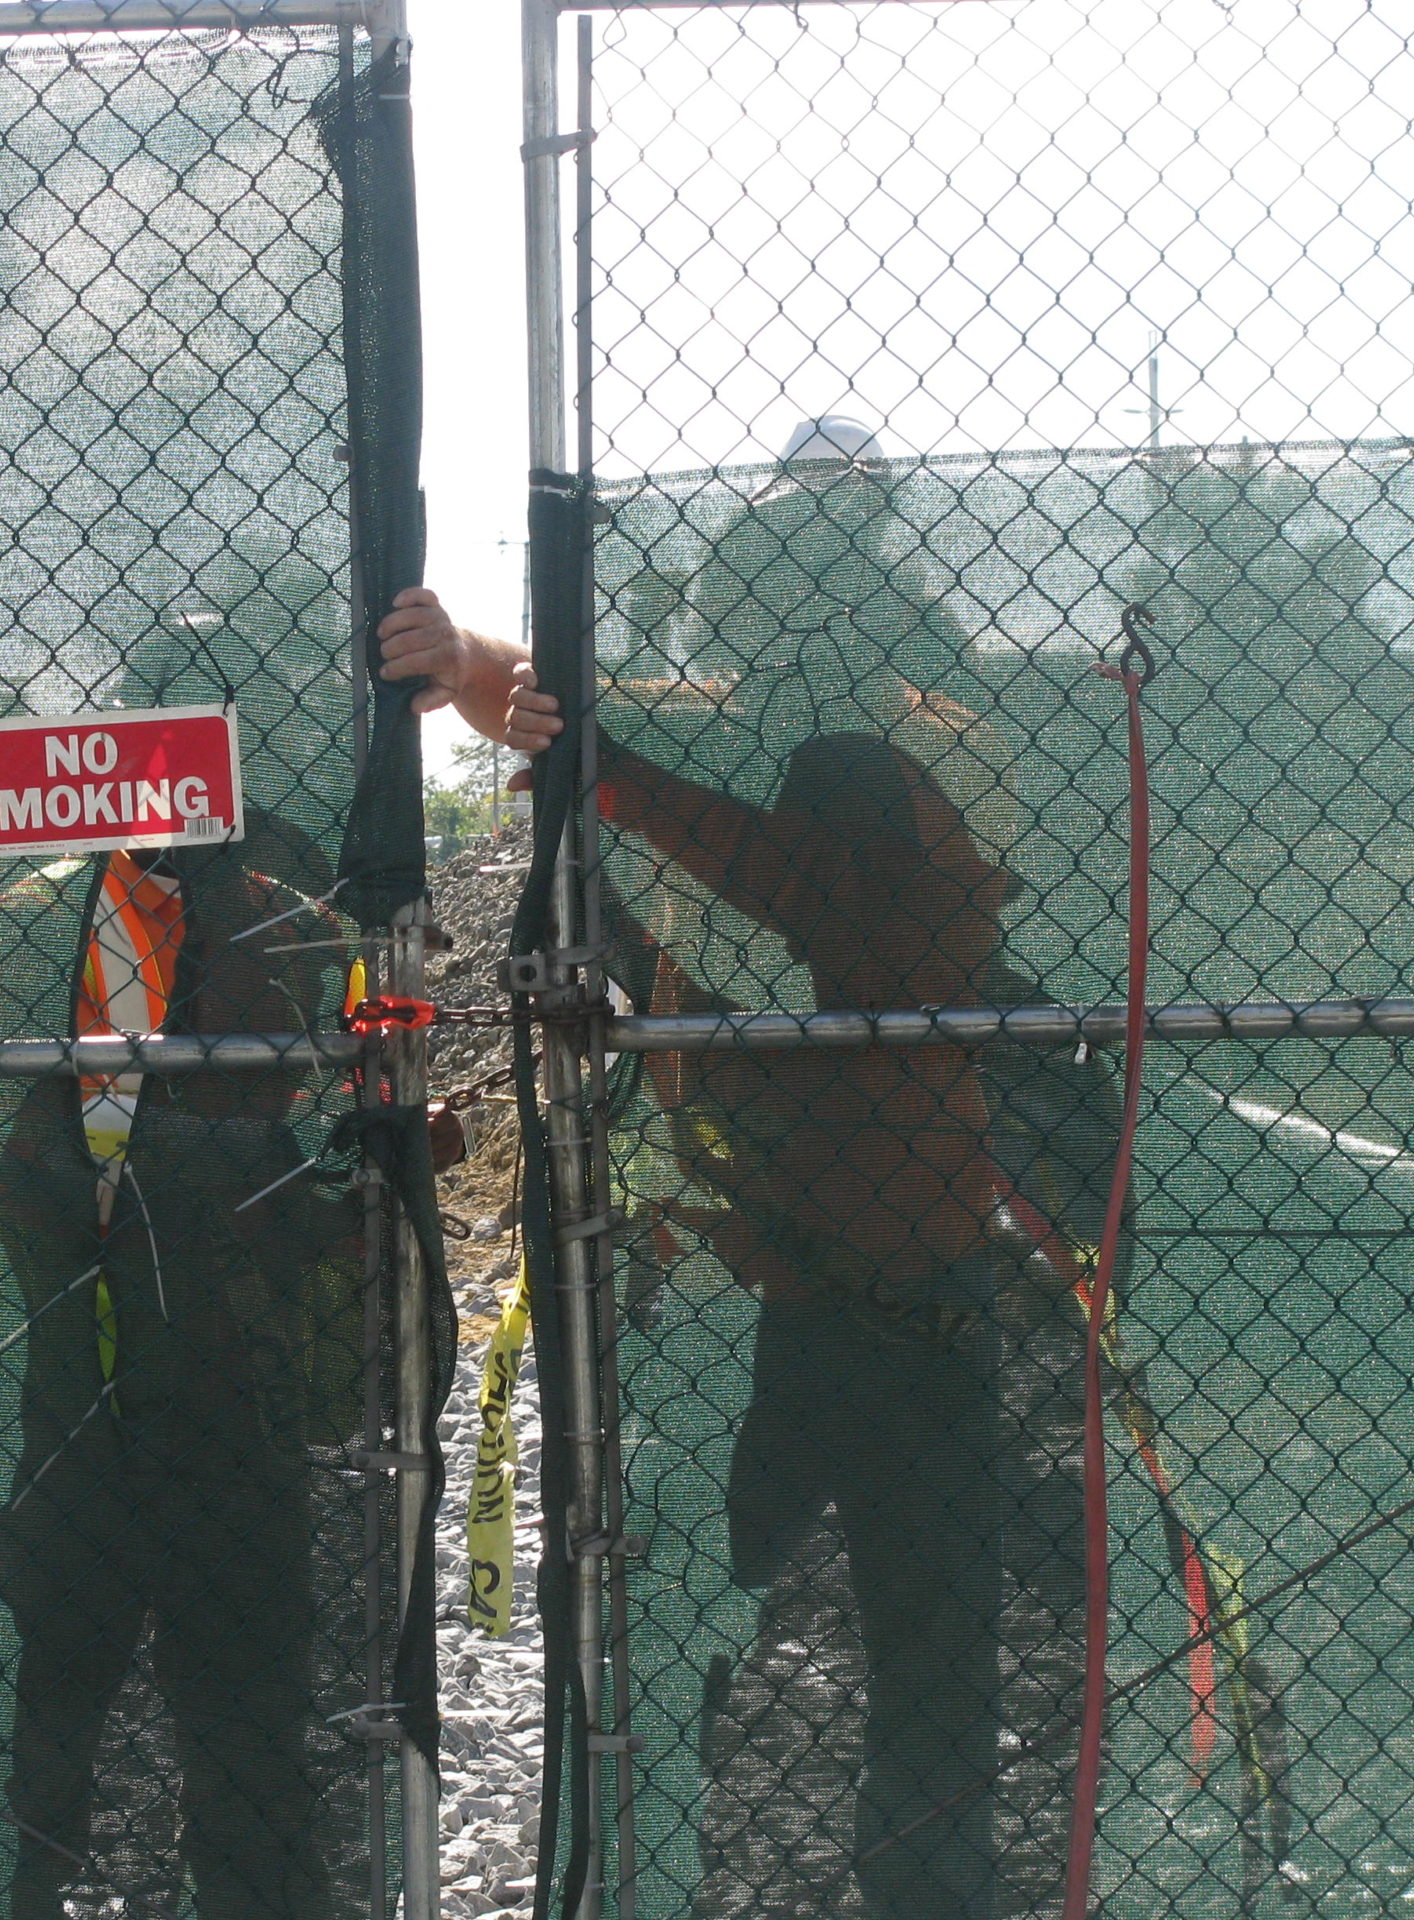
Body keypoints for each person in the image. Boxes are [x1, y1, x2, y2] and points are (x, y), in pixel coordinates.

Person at [380, 423, 1072, 1917]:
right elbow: (550, 706)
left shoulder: (926, 757)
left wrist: (615, 773)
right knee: (671, 1599)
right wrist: (462, 657)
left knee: (923, 1641)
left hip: (893, 1268)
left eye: (814, 599)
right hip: (721, 1263)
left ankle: (914, 1892)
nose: (775, 641)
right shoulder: (707, 739)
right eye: (763, 604)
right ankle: (662, 1871)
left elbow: (863, 922)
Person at [0, 805, 367, 1920]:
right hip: (124, 1440)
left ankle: (180, 1883)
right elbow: (258, 1210)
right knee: (102, 1707)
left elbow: (280, 1191)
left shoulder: (92, 992)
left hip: (164, 1447)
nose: (281, 1001)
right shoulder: (75, 994)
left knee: (193, 1716)